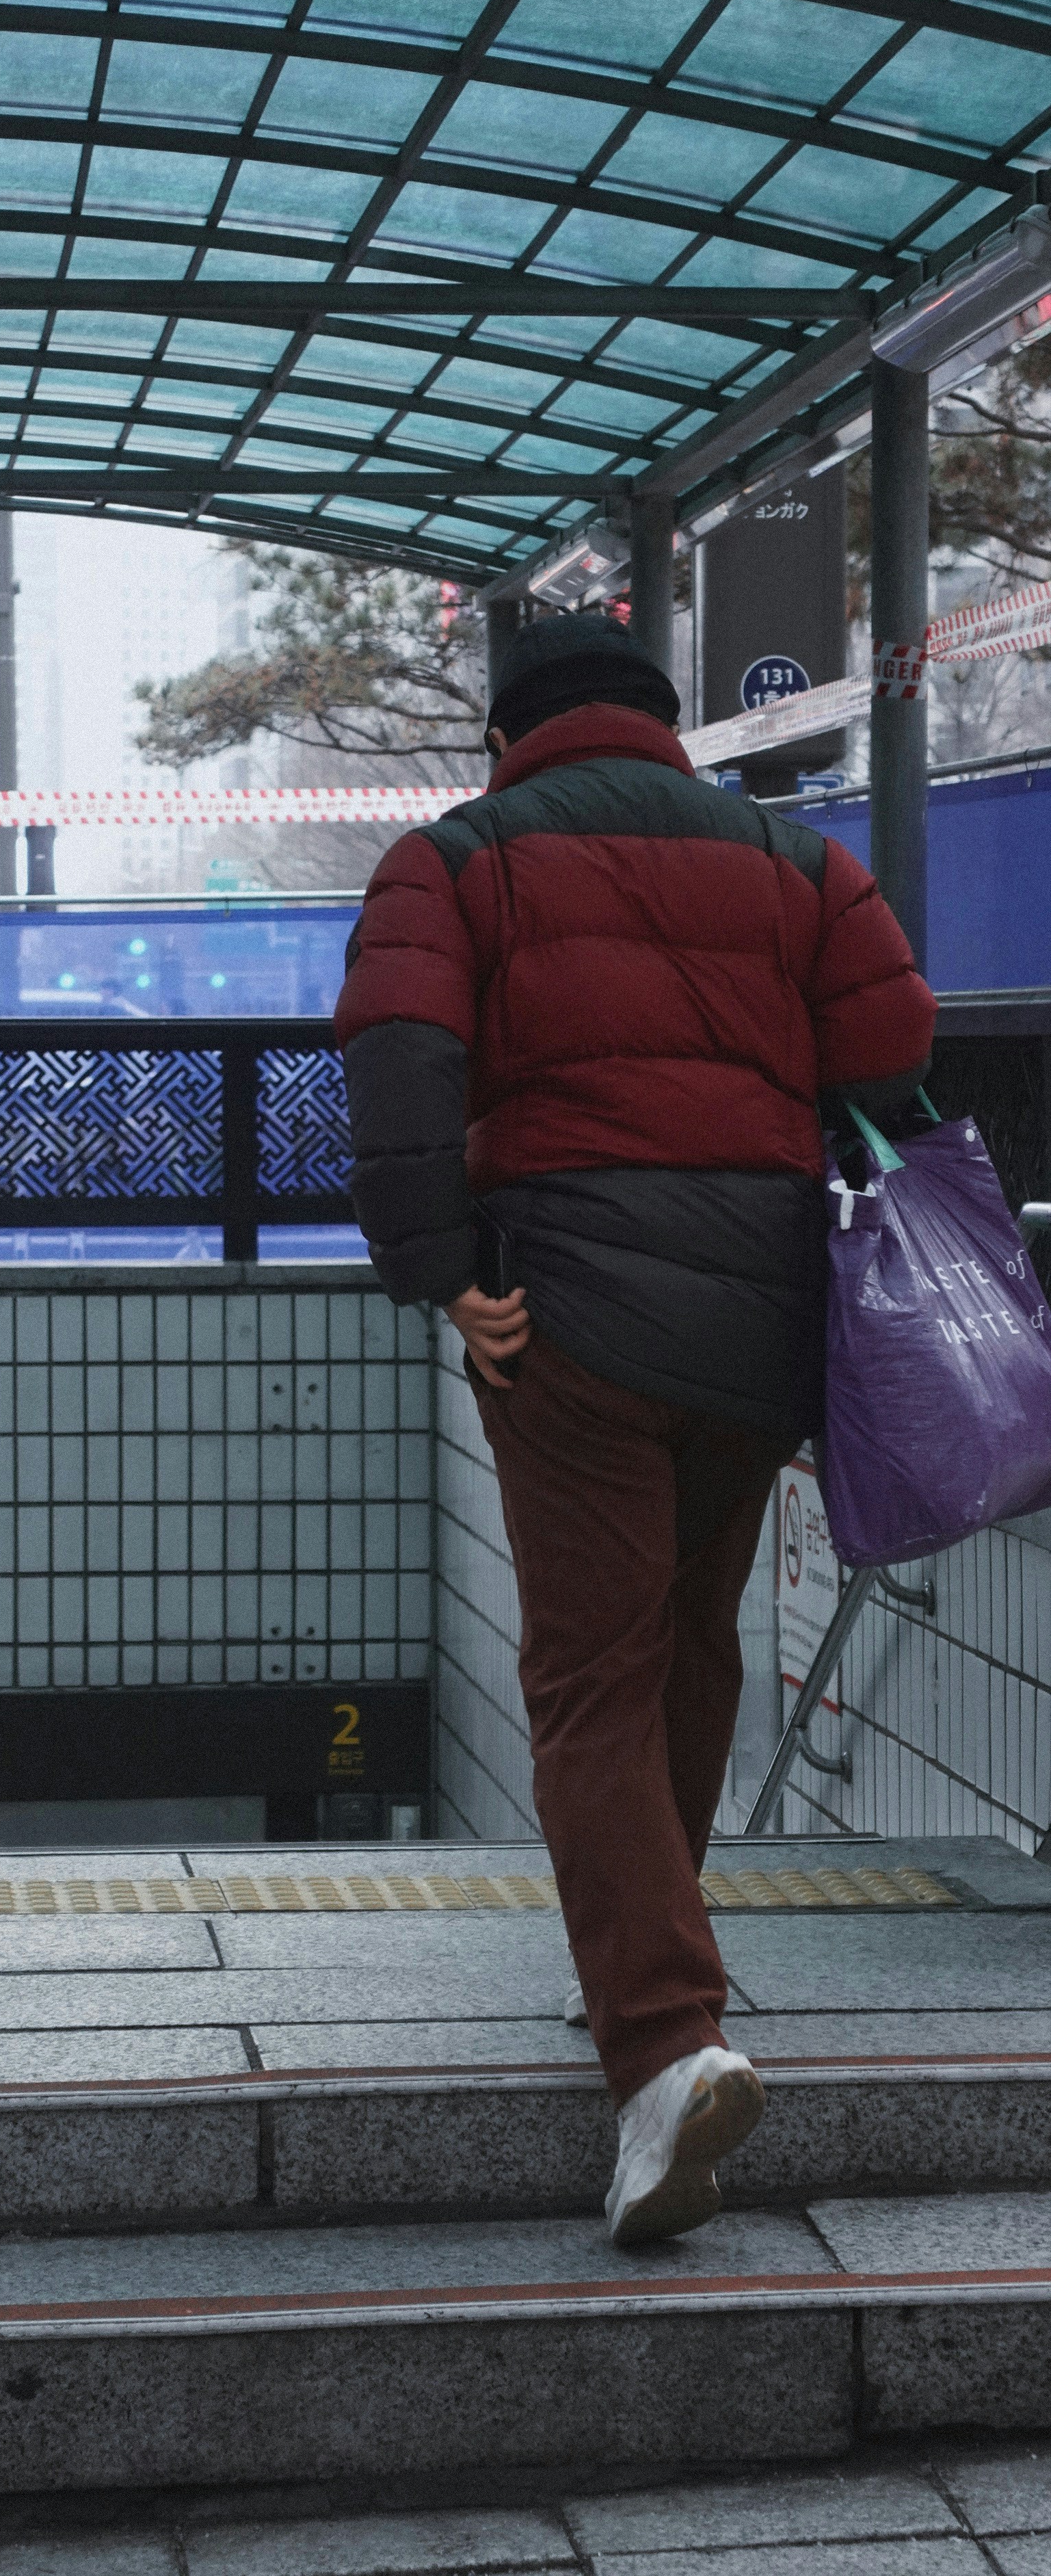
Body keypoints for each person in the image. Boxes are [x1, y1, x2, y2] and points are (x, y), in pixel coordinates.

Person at [336, 609, 935, 2245]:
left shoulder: (453, 863)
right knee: (687, 1645)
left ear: (507, 734)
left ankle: (664, 2044)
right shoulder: (789, 863)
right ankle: (664, 1964)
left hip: (570, 1308)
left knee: (588, 1676)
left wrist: (438, 1273)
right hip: (760, 1309)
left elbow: (398, 1059)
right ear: (663, 723)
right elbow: (889, 1048)